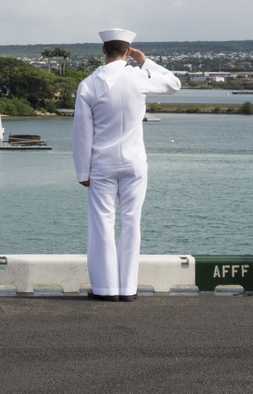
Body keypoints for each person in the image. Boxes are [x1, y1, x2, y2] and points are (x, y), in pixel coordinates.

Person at [72, 28, 180, 302]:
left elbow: (82, 133)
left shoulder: (89, 84)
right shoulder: (139, 76)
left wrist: (82, 172)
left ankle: (106, 289)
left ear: (103, 50)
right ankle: (128, 288)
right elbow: (174, 84)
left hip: (102, 165)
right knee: (132, 223)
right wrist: (146, 62)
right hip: (134, 163)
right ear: (128, 51)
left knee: (102, 225)